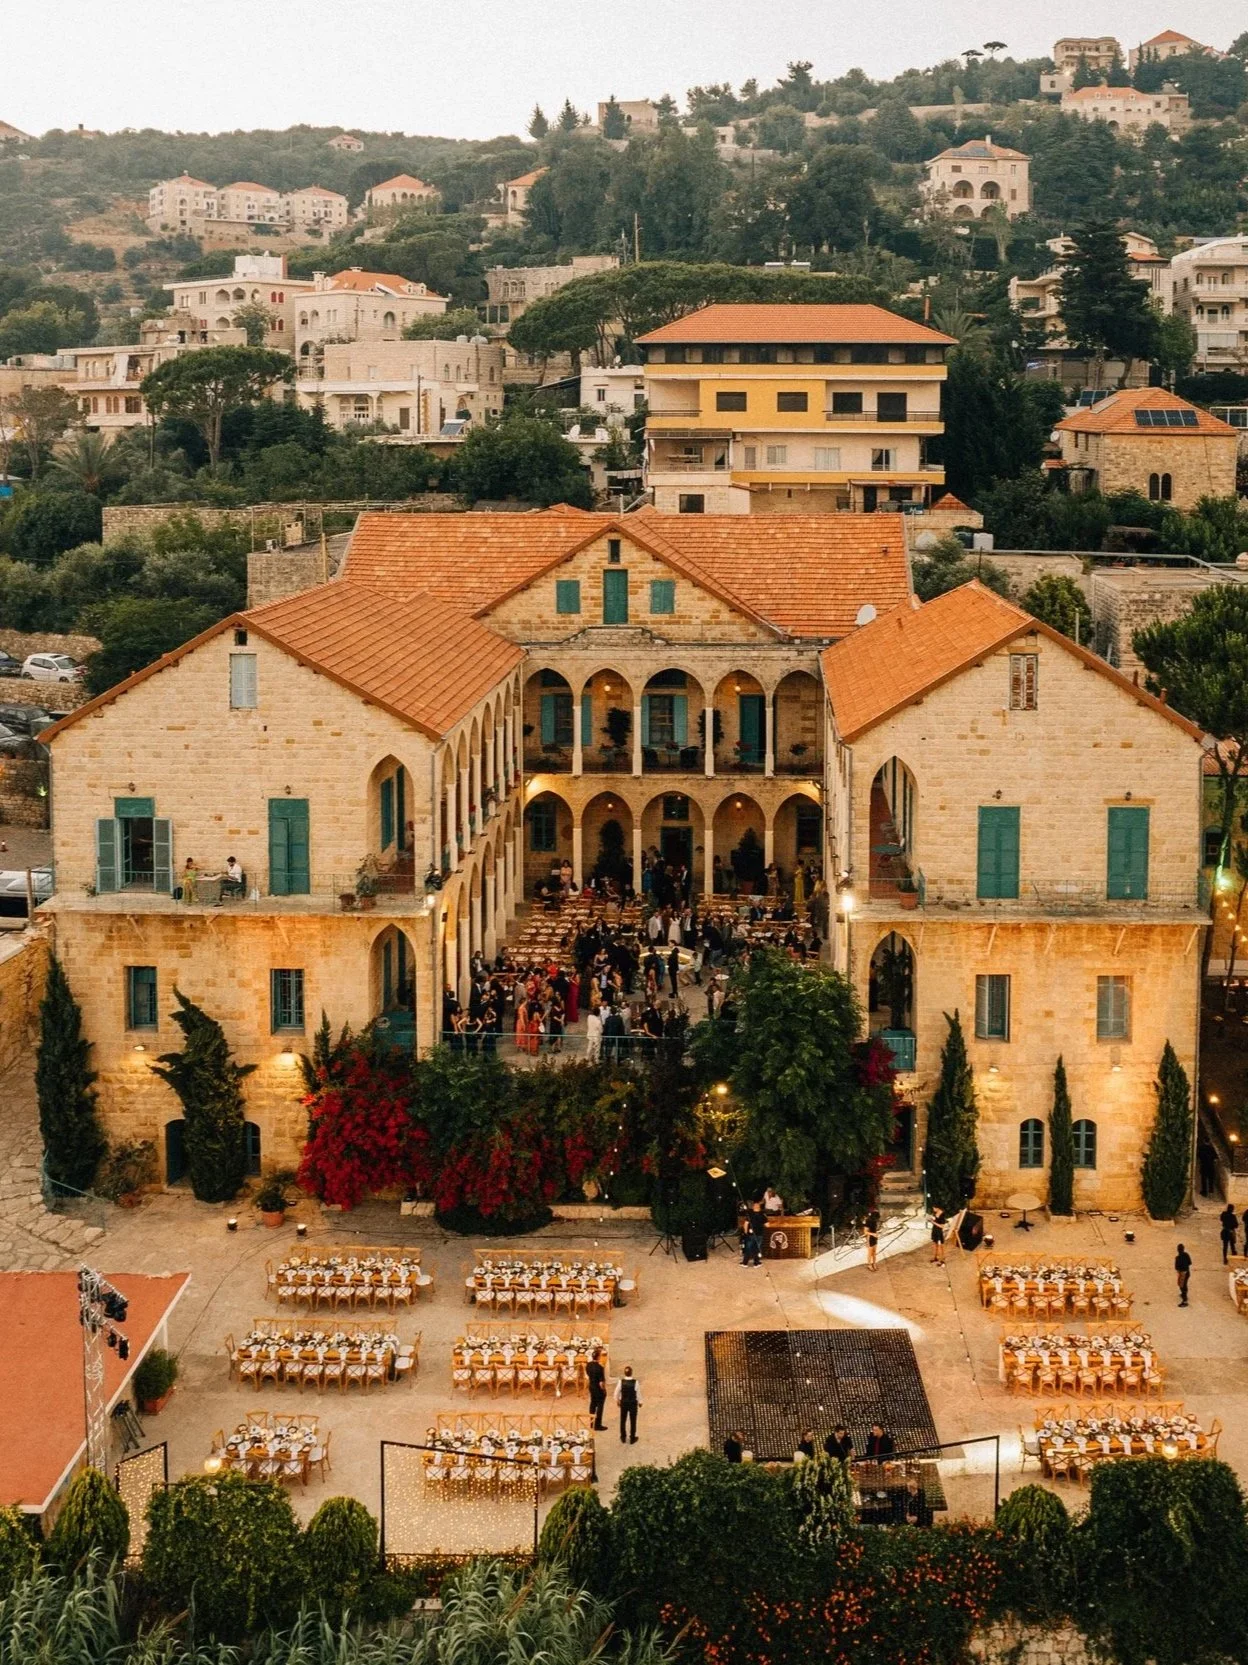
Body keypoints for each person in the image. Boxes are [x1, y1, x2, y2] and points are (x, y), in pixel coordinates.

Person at [615, 1364, 641, 1443]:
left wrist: (617, 1400)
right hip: (632, 1403)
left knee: (623, 1420)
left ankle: (623, 1437)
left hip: (624, 1403)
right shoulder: (635, 1382)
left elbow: (616, 1392)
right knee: (633, 1421)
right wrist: (640, 1402)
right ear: (631, 1373)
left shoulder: (621, 1382)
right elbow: (638, 1393)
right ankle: (632, 1437)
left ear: (624, 1373)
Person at [586, 1347, 607, 1431]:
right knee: (600, 1406)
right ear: (598, 1357)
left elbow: (588, 1374)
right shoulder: (600, 1367)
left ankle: (592, 1423)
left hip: (591, 1386)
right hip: (598, 1388)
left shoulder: (588, 1365)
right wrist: (604, 1390)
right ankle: (598, 1425)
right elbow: (601, 1382)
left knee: (592, 1404)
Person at [1175, 1242, 1192, 1307]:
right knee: (1184, 1284)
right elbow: (1190, 1263)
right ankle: (1184, 1295)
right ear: (1183, 1249)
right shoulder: (1186, 1254)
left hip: (1182, 1274)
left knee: (1182, 1285)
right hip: (1187, 1272)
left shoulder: (1178, 1258)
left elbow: (1176, 1267)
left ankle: (1185, 1300)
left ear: (1178, 1250)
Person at [865, 1207, 880, 1272]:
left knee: (874, 1252)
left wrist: (877, 1233)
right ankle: (869, 1265)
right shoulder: (868, 1221)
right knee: (870, 1253)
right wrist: (873, 1234)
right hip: (870, 1238)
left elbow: (874, 1229)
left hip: (875, 1237)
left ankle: (874, 1263)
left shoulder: (875, 1221)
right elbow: (865, 1232)